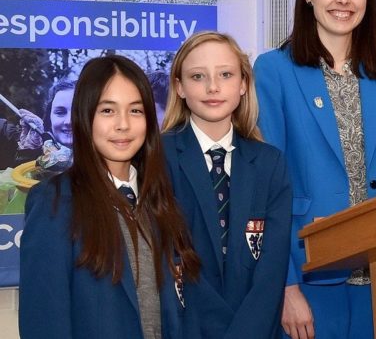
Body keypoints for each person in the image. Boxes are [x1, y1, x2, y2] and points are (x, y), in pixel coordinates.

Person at [254, 0, 376, 339]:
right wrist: (286, 286)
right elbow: (267, 190)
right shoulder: (273, 69)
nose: (344, 0)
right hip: (310, 275)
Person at [19, 55, 200, 338]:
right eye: (107, 110)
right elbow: (44, 321)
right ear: (84, 115)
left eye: (136, 111)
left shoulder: (162, 199)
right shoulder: (54, 202)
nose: (123, 124)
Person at [161, 31, 292, 338]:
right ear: (179, 87)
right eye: (197, 76)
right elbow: (166, 263)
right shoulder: (156, 159)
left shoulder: (270, 163)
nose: (213, 87)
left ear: (244, 83)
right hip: (185, 329)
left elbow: (271, 274)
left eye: (226, 74)